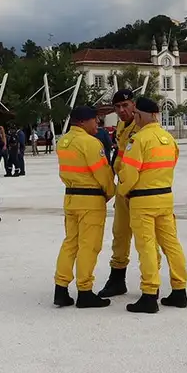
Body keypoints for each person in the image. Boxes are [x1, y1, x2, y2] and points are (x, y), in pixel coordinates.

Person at [116, 98, 187, 313]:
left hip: (142, 200)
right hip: (165, 197)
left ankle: (149, 294)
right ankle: (179, 290)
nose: (134, 117)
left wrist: (122, 191)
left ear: (143, 115)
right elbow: (171, 164)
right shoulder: (169, 138)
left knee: (146, 246)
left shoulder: (138, 140)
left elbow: (129, 173)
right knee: (171, 245)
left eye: (136, 113)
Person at [53, 106, 115, 309]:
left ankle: (60, 288)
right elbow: (103, 173)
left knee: (70, 243)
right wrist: (110, 192)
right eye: (94, 120)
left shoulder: (64, 141)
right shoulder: (90, 143)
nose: (97, 124)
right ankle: (85, 291)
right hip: (91, 200)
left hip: (71, 198)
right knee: (89, 246)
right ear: (82, 121)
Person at [97, 89, 138, 299]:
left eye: (126, 105)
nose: (122, 111)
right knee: (120, 233)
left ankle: (153, 285)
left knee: (148, 239)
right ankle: (117, 278)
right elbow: (120, 156)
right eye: (118, 107)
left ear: (134, 105)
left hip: (141, 192)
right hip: (124, 188)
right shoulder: (122, 126)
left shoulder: (144, 126)